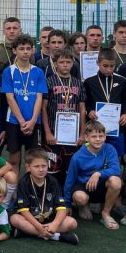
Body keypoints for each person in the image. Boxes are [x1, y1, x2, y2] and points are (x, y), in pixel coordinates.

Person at [10, 148, 78, 244]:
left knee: (72, 222)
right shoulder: (23, 182)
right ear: (28, 167)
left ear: (48, 165)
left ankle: (27, 232)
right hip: (30, 220)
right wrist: (39, 227)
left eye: (44, 166)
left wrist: (55, 224)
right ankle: (56, 236)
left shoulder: (53, 181)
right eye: (36, 166)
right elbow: (24, 211)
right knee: (15, 219)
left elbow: (62, 208)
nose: (41, 169)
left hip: (49, 220)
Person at [63, 120, 122, 230]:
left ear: (105, 137)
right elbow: (70, 180)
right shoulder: (77, 156)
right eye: (94, 136)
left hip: (102, 185)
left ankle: (106, 214)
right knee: (80, 198)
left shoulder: (110, 149)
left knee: (116, 181)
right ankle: (84, 205)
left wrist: (98, 173)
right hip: (84, 187)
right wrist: (67, 204)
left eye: (101, 136)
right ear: (86, 138)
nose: (98, 139)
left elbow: (116, 170)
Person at [2, 34, 47, 174]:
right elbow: (10, 98)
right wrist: (22, 121)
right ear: (14, 50)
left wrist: (32, 121)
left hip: (34, 122)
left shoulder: (38, 72)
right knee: (14, 158)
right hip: (14, 121)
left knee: (33, 159)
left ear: (33, 50)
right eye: (21, 49)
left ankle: (30, 187)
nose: (25, 52)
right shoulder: (8, 71)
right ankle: (14, 187)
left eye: (28, 48)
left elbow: (39, 97)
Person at [41, 50, 86, 185]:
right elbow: (43, 108)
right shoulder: (49, 81)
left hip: (73, 135)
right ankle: (53, 195)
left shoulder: (78, 83)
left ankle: (68, 195)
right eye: (61, 62)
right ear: (55, 64)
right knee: (52, 168)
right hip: (53, 133)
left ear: (73, 64)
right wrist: (47, 132)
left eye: (68, 62)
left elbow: (82, 109)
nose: (65, 65)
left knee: (70, 169)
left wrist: (82, 134)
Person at [84, 48, 126, 158]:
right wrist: (89, 111)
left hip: (117, 127)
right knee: (94, 155)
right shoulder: (89, 82)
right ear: (98, 63)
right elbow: (86, 102)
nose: (109, 69)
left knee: (116, 156)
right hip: (95, 128)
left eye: (112, 66)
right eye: (105, 66)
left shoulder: (122, 81)